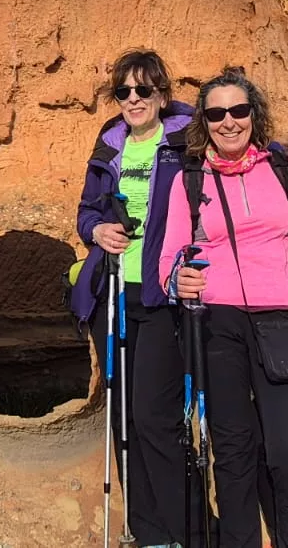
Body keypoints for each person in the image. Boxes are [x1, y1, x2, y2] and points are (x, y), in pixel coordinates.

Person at [161, 67, 288, 548]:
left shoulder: (280, 167)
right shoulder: (190, 180)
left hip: (279, 319)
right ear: (204, 122)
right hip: (218, 323)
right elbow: (169, 259)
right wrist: (177, 280)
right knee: (232, 453)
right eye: (216, 114)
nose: (229, 122)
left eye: (239, 110)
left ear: (254, 114)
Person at [71, 50, 196, 548]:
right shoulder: (109, 145)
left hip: (162, 293)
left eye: (144, 90)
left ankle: (189, 529)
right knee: (123, 417)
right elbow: (86, 212)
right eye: (124, 91)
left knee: (153, 416)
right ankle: (149, 533)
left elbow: (252, 148)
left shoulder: (185, 140)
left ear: (162, 95)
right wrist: (97, 230)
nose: (133, 99)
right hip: (114, 293)